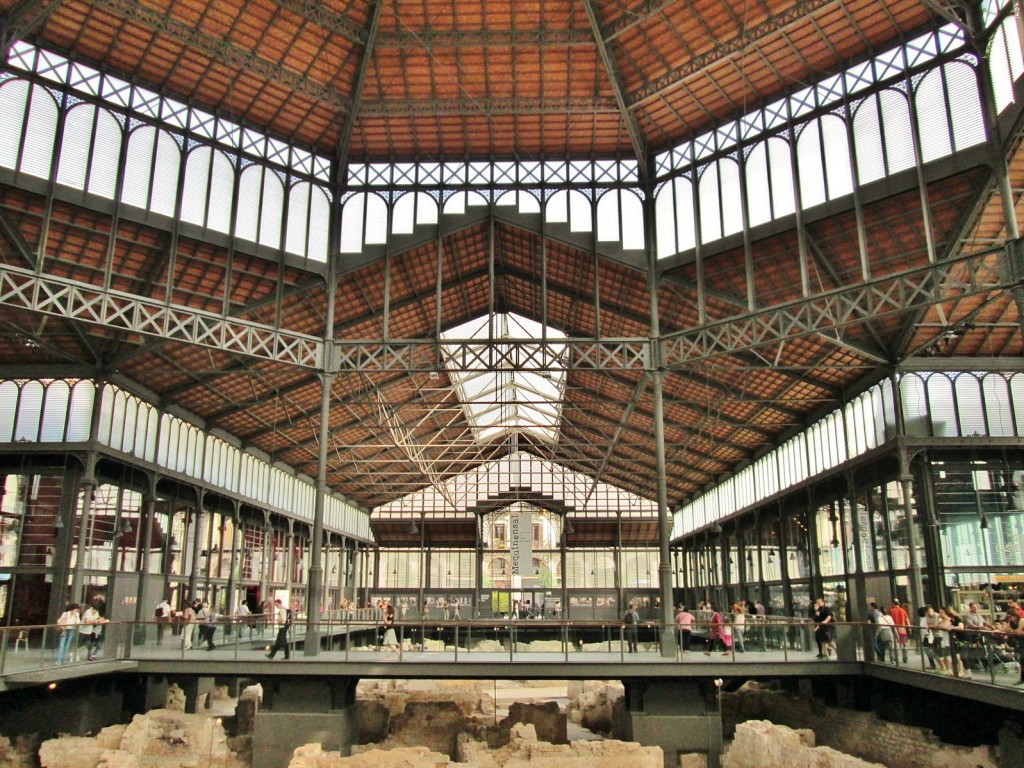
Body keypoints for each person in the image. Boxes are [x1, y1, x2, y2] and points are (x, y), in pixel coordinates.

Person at [889, 599, 910, 663]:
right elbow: (907, 619)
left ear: (893, 604)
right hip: (902, 628)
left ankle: (895, 658)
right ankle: (905, 658)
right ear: (899, 603)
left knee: (895, 644)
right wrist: (909, 628)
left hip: (895, 628)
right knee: (904, 644)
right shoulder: (903, 610)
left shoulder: (892, 611)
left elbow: (890, 620)